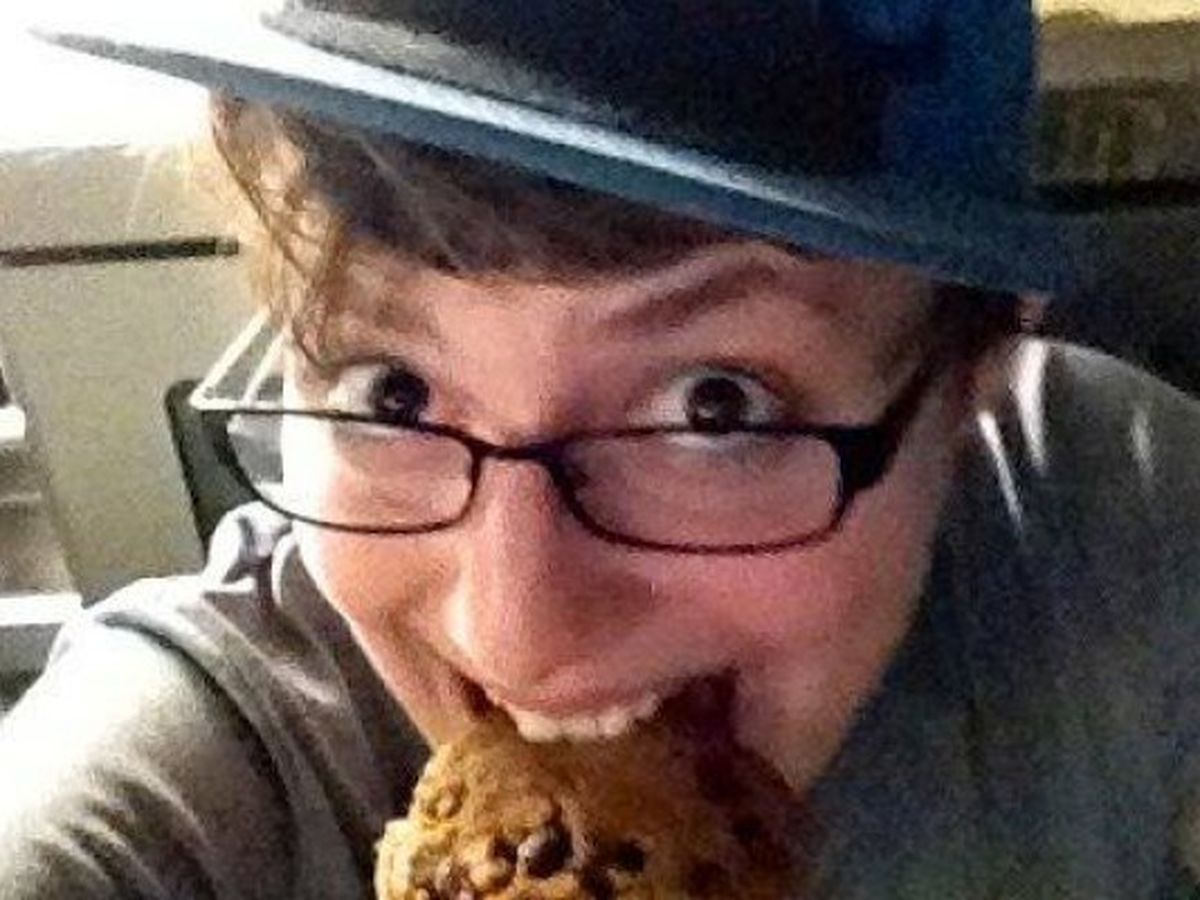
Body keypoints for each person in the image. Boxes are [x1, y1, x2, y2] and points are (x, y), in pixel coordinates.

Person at [3, 1, 1200, 897]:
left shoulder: (1119, 521)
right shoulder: (206, 778)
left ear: (972, 381)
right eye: (393, 390)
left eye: (715, 408)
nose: (514, 636)